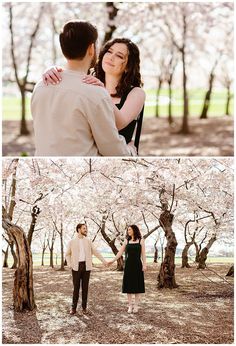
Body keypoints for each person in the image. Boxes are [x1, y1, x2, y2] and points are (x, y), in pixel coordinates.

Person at [31, 20, 136, 156]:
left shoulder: (41, 86)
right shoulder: (95, 92)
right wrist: (130, 150)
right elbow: (112, 150)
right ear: (91, 49)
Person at [65, 223, 107, 315]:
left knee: (85, 288)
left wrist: (103, 261)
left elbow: (95, 251)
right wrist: (69, 264)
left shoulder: (88, 241)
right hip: (76, 267)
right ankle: (73, 308)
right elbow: (67, 254)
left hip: (87, 266)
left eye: (86, 228)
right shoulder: (72, 241)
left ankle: (84, 308)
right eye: (84, 228)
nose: (86, 230)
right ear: (79, 229)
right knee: (76, 288)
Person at [108, 225, 146, 313]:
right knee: (128, 285)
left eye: (129, 229)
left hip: (137, 265)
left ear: (134, 230)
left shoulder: (141, 240)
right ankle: (130, 306)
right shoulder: (126, 241)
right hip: (128, 265)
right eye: (128, 230)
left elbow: (143, 254)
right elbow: (120, 253)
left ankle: (136, 306)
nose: (128, 231)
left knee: (137, 285)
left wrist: (144, 265)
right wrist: (112, 261)